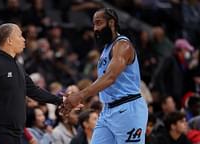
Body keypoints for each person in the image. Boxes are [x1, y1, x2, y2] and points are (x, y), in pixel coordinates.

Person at [61, 8, 148, 143]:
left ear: (111, 23)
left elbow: (110, 77)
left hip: (128, 108)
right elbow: (101, 81)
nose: (95, 28)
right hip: (107, 110)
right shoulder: (107, 49)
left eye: (99, 23)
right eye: (94, 24)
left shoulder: (123, 45)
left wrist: (80, 95)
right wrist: (76, 98)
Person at [0, 23, 63, 144]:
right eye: (20, 36)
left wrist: (61, 100)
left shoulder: (18, 65)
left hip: (17, 133)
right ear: (10, 40)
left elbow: (34, 91)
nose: (24, 39)